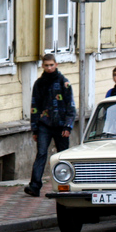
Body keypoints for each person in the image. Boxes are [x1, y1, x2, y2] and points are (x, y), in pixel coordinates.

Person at [25, 54, 76, 197]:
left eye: (51, 65)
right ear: (42, 66)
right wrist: (34, 128)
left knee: (63, 155)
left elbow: (70, 106)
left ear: (56, 64)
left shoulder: (63, 83)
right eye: (46, 65)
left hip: (60, 125)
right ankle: (34, 185)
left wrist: (68, 126)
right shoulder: (39, 83)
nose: (49, 68)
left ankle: (65, 183)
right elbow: (35, 106)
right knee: (41, 153)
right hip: (44, 125)